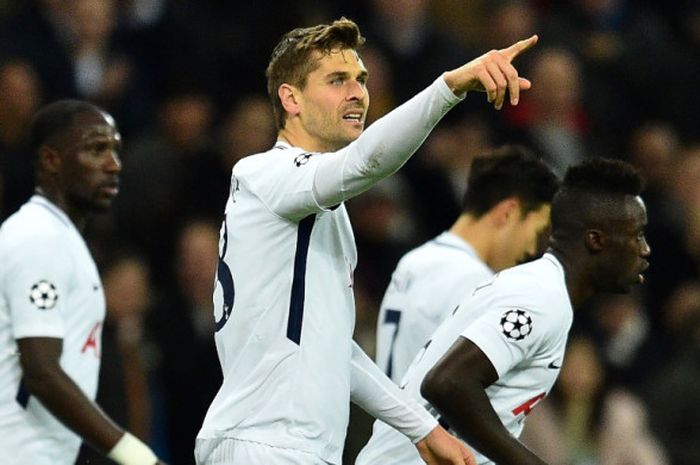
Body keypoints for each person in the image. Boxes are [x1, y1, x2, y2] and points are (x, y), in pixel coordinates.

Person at [195, 16, 538, 465]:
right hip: (266, 444)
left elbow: (334, 345)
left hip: (284, 446)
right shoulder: (265, 173)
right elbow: (364, 164)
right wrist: (449, 87)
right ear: (290, 98)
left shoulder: (315, 208)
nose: (357, 92)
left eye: (360, 79)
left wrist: (422, 428)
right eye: (337, 80)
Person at [356, 157, 651, 465]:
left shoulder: (540, 290)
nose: (645, 249)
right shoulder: (541, 297)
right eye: (637, 235)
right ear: (596, 240)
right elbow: (447, 383)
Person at [0, 100, 165, 465]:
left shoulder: (62, 239)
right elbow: (41, 370)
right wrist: (134, 454)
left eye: (116, 151)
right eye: (96, 149)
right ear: (51, 160)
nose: (114, 165)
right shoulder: (37, 237)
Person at [376, 145, 558, 382]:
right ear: (509, 212)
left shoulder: (415, 261)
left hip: (389, 415)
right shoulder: (474, 282)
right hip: (425, 418)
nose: (533, 249)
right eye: (537, 231)